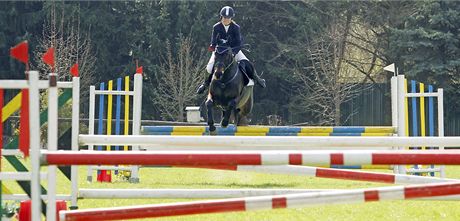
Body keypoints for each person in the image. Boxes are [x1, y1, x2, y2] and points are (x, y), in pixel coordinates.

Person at [197, 6, 266, 94]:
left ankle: (258, 80)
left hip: (233, 50)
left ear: (231, 18)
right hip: (220, 52)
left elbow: (238, 43)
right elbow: (213, 42)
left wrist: (233, 53)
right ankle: (205, 84)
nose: (226, 20)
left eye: (228, 18)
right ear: (221, 17)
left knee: (247, 63)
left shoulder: (236, 27)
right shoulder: (216, 27)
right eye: (224, 17)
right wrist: (213, 47)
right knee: (209, 67)